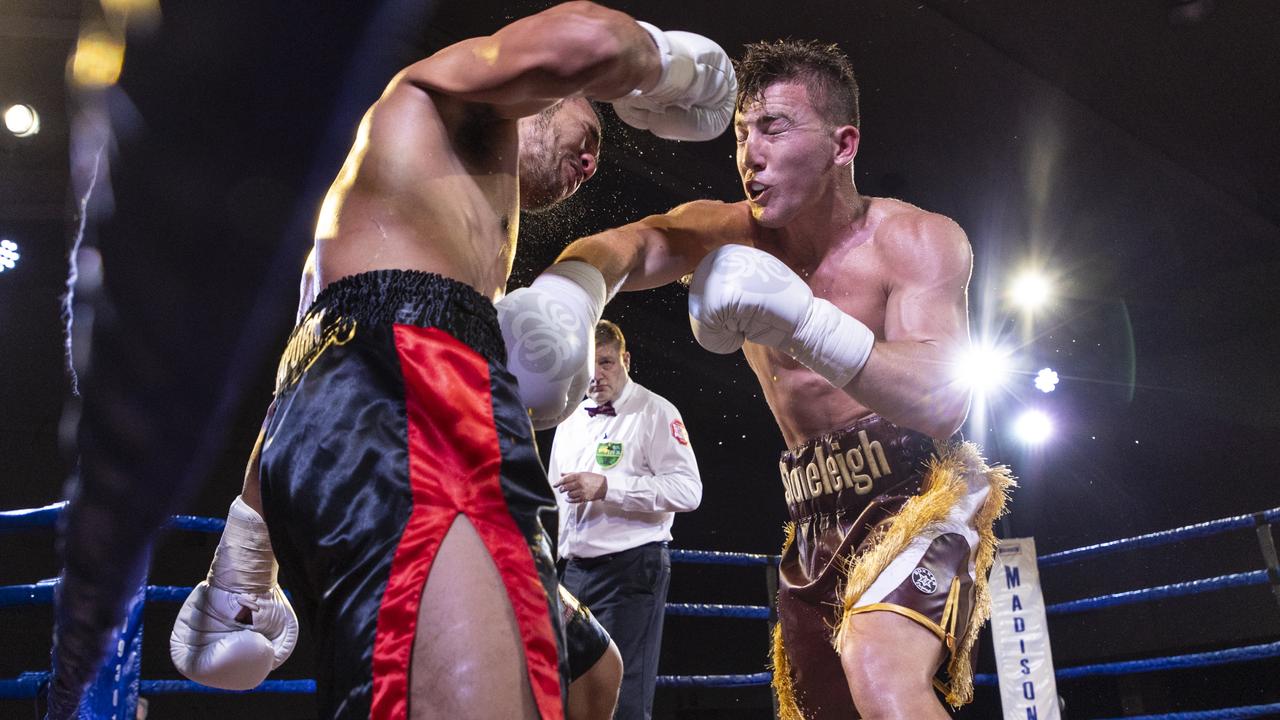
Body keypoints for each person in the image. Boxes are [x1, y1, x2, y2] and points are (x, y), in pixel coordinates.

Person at [163, 3, 735, 719]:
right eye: (587, 134)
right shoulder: (433, 98)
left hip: (371, 414)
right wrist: (675, 69)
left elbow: (321, 361)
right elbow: (589, 36)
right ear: (543, 95)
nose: (592, 163)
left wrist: (247, 549)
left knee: (589, 672)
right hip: (413, 411)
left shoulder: (430, 226)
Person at [551, 39, 1014, 720]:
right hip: (813, 518)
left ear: (843, 143)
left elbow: (942, 401)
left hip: (923, 492)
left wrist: (802, 321)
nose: (748, 154)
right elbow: (638, 242)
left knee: (878, 657)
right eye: (741, 133)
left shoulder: (915, 240)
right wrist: (566, 293)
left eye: (773, 127)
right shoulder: (729, 234)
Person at [171, 252, 625, 720]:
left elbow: (634, 244)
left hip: (471, 470)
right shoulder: (383, 234)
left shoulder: (484, 238)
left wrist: (703, 235)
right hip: (390, 480)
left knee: (596, 666)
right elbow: (297, 387)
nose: (587, 172)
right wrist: (244, 557)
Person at [549, 320, 701, 720]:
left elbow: (688, 491)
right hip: (573, 575)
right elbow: (553, 496)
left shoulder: (656, 411)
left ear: (625, 359)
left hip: (630, 570)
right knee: (570, 693)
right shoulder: (569, 420)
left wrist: (608, 487)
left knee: (623, 698)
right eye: (588, 365)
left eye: (606, 362)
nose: (597, 375)